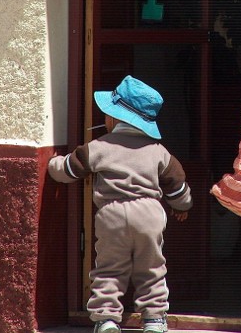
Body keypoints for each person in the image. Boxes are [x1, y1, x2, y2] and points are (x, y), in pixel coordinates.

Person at [48, 75, 193, 333]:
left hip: (111, 215)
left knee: (109, 268)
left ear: (114, 119)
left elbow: (67, 170)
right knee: (151, 268)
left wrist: (53, 163)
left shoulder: (99, 146)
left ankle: (106, 319)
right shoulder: (158, 150)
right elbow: (177, 185)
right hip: (149, 213)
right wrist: (182, 206)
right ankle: (154, 319)